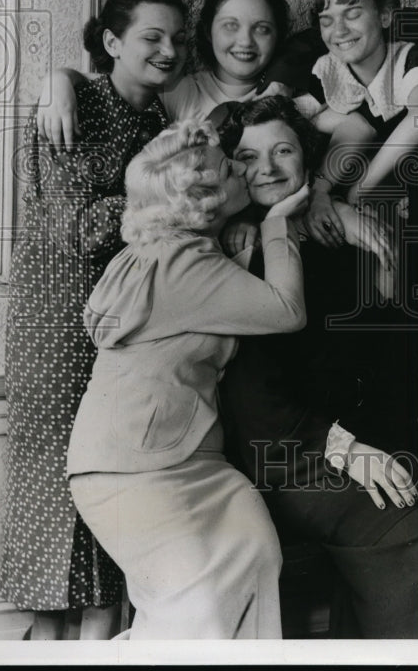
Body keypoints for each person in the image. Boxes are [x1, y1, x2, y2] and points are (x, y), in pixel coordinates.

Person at [219, 97, 418, 639]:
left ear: (309, 160)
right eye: (249, 158)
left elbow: (375, 354)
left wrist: (382, 268)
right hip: (284, 454)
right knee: (408, 528)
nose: (269, 168)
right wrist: (348, 451)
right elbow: (258, 406)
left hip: (347, 437)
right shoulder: (241, 254)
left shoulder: (334, 231)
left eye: (283, 151)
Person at [66, 119, 308, 639]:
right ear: (203, 198)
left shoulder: (153, 253)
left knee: (252, 554)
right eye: (231, 167)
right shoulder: (186, 264)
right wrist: (276, 224)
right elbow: (286, 310)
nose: (247, 169)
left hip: (162, 460)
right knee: (193, 612)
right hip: (144, 470)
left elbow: (208, 304)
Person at [0, 0, 190, 640]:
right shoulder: (75, 101)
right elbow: (80, 228)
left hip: (122, 324)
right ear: (112, 42)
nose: (168, 51)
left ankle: (97, 641)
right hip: (56, 323)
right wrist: (161, 198)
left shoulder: (158, 122)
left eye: (176, 38)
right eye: (151, 37)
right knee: (56, 485)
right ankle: (46, 644)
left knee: (109, 480)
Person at [36, 0, 315, 148]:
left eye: (262, 29)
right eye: (231, 25)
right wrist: (58, 79)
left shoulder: (291, 93)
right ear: (208, 30)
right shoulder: (179, 89)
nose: (245, 41)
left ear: (278, 36)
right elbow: (115, 88)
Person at [300, 0, 418, 247]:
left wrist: (359, 190)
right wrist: (320, 190)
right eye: (327, 20)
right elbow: (292, 115)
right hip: (343, 199)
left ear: (385, 15)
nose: (339, 30)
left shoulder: (409, 57)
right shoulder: (328, 69)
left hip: (416, 193)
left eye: (352, 14)